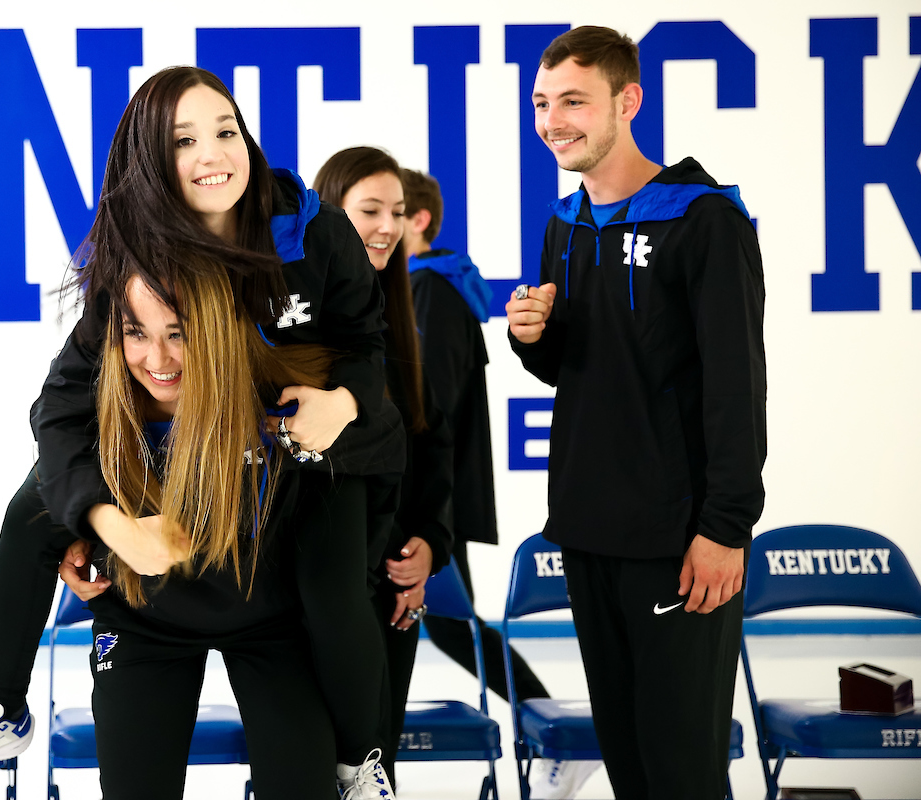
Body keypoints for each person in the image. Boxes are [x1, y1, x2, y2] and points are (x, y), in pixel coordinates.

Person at [0, 66, 403, 800]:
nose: (213, 153)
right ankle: (0, 708)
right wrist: (111, 526)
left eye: (226, 130)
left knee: (332, 596)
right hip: (182, 481)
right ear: (150, 162)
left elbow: (368, 345)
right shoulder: (135, 257)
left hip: (300, 459)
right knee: (36, 502)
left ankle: (360, 763)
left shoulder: (315, 231)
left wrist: (344, 407)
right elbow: (62, 404)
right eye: (184, 140)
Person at [506, 26, 766, 800]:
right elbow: (578, 372)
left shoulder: (704, 218)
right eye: (542, 104)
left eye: (574, 102)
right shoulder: (565, 223)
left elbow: (736, 385)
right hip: (587, 532)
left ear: (629, 100)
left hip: (679, 539)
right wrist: (533, 340)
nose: (554, 120)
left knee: (681, 770)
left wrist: (726, 527)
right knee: (628, 765)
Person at [66, 265, 344, 799]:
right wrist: (82, 531)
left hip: (268, 621)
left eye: (178, 333)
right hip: (144, 623)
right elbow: (32, 516)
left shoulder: (280, 400)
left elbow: (380, 451)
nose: (158, 358)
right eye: (137, 333)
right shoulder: (93, 419)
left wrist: (347, 404)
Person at [399, 168, 597, 799]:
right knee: (445, 624)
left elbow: (426, 407)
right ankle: (553, 733)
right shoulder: (431, 287)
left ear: (419, 219)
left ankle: (553, 733)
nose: (373, 228)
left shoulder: (431, 290)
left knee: (448, 624)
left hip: (424, 496)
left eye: (389, 212)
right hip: (427, 492)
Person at [313, 146, 455, 788]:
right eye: (369, 210)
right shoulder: (300, 326)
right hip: (317, 595)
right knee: (311, 768)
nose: (388, 227)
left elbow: (430, 447)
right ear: (328, 214)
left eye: (398, 212)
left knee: (375, 769)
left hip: (391, 594)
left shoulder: (406, 321)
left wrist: (429, 544)